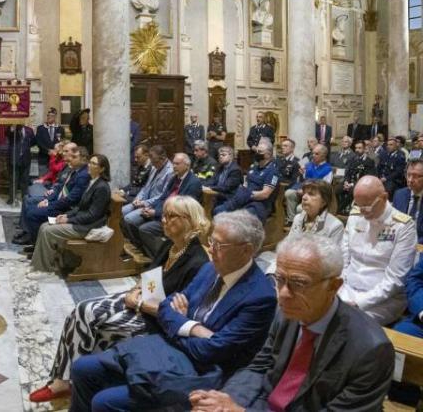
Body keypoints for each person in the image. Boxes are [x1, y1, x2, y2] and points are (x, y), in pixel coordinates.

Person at [69, 211, 277, 411]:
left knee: (103, 402)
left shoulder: (260, 296)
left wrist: (176, 323)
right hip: (168, 349)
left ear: (247, 250)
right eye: (211, 241)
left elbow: (211, 351)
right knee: (82, 368)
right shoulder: (209, 269)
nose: (210, 249)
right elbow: (166, 306)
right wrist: (192, 327)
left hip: (203, 371)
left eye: (219, 245)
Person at [30, 195, 210, 404]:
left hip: (157, 318)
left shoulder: (197, 261)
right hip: (143, 298)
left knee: (101, 325)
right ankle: (62, 380)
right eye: (164, 215)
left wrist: (139, 302)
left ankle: (85, 381)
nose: (163, 220)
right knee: (83, 309)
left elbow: (176, 310)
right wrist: (135, 289)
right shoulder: (172, 245)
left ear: (189, 220)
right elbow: (151, 275)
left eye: (171, 216)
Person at [190, 233, 394, 412]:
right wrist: (223, 402)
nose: (284, 294)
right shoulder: (286, 313)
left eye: (299, 283)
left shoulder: (371, 350)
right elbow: (259, 368)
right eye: (280, 279)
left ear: (333, 286)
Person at [339, 175, 416, 325]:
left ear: (384, 197)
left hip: (383, 300)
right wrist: (340, 291)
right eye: (358, 205)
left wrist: (359, 302)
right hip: (347, 290)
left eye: (367, 206)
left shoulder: (403, 226)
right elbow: (343, 260)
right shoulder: (356, 216)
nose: (363, 211)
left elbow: (395, 280)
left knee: (348, 323)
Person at [27, 153, 111, 277]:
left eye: (94, 163)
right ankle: (37, 265)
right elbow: (80, 207)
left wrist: (69, 220)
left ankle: (45, 270)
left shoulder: (102, 187)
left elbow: (92, 215)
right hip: (78, 221)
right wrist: (66, 216)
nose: (89, 165)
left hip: (87, 227)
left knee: (48, 231)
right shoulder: (92, 182)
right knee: (45, 225)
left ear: (102, 169)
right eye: (90, 162)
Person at [134, 153, 203, 258]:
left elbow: (182, 209)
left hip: (178, 219)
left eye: (177, 164)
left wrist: (156, 213)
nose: (174, 166)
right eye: (173, 163)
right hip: (163, 213)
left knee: (144, 229)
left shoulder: (193, 183)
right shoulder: (174, 178)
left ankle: (162, 257)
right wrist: (150, 208)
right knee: (132, 221)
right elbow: (163, 197)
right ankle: (149, 253)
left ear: (187, 165)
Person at [19, 146, 90, 247]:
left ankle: (37, 246)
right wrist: (47, 200)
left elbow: (71, 199)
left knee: (32, 213)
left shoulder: (83, 175)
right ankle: (32, 240)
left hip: (66, 210)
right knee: (30, 206)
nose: (70, 159)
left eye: (74, 157)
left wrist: (49, 204)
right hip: (59, 202)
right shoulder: (75, 170)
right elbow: (61, 187)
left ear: (83, 159)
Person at [116, 145, 173, 262]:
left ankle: (140, 245)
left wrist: (144, 203)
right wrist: (138, 199)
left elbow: (162, 195)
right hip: (143, 200)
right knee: (120, 212)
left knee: (129, 219)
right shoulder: (154, 167)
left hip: (153, 203)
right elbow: (146, 187)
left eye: (155, 161)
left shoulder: (170, 171)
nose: (153, 164)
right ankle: (134, 243)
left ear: (162, 159)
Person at [215, 138, 279, 222]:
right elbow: (245, 184)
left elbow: (265, 194)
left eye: (259, 152)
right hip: (243, 199)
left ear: (268, 154)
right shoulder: (253, 167)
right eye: (256, 151)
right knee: (218, 210)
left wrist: (247, 194)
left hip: (259, 204)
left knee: (238, 219)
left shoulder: (272, 171)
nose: (256, 153)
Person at [284, 143, 332, 224]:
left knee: (300, 209)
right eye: (313, 153)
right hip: (304, 190)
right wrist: (302, 174)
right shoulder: (308, 164)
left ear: (324, 156)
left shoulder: (328, 169)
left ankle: (304, 224)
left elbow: (324, 188)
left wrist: (305, 192)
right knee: (289, 193)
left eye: (316, 154)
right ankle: (291, 220)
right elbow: (303, 180)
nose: (313, 155)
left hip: (316, 195)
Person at [288, 179, 344, 244]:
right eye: (304, 193)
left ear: (324, 201)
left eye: (311, 194)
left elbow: (332, 253)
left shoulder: (335, 226)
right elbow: (288, 245)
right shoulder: (297, 218)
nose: (304, 197)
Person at [202, 145, 242, 210]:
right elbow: (212, 181)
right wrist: (203, 185)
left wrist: (209, 188)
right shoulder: (219, 167)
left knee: (216, 210)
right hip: (219, 196)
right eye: (219, 155)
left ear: (231, 156)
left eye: (223, 155)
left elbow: (226, 187)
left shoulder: (235, 170)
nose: (220, 157)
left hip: (230, 198)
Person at [393, 158, 423, 243]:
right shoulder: (399, 195)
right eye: (408, 175)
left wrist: (411, 244)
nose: (410, 180)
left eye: (416, 176)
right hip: (399, 243)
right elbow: (393, 224)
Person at [341, 139, 374, 212]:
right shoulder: (352, 159)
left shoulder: (369, 161)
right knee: (336, 190)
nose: (357, 150)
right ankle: (341, 210)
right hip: (349, 182)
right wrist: (346, 182)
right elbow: (348, 172)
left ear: (364, 149)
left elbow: (367, 178)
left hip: (360, 185)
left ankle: (340, 211)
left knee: (351, 191)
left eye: (359, 148)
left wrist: (352, 184)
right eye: (356, 148)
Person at [9, 122, 36, 205]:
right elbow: (8, 136)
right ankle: (12, 198)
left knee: (25, 179)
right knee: (14, 179)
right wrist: (12, 129)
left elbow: (33, 141)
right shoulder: (13, 129)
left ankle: (24, 198)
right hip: (15, 157)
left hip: (25, 158)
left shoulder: (29, 130)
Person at [35, 107, 64, 173]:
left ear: (55, 117)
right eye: (48, 115)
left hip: (56, 159)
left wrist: (56, 151)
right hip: (43, 158)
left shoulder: (60, 129)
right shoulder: (40, 128)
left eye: (51, 115)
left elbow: (62, 142)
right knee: (43, 178)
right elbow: (38, 142)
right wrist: (48, 151)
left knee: (55, 179)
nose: (49, 117)